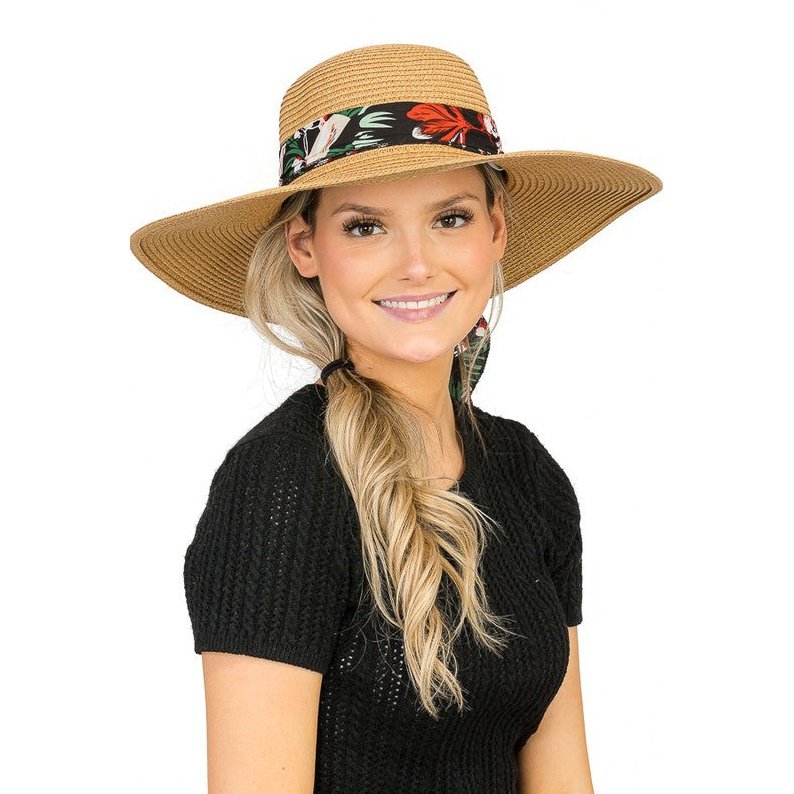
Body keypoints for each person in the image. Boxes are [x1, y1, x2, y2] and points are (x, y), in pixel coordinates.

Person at [130, 42, 662, 794]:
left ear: (496, 232)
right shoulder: (282, 483)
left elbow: (563, 777)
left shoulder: (527, 473)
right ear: (305, 246)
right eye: (365, 227)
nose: (416, 262)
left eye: (450, 217)